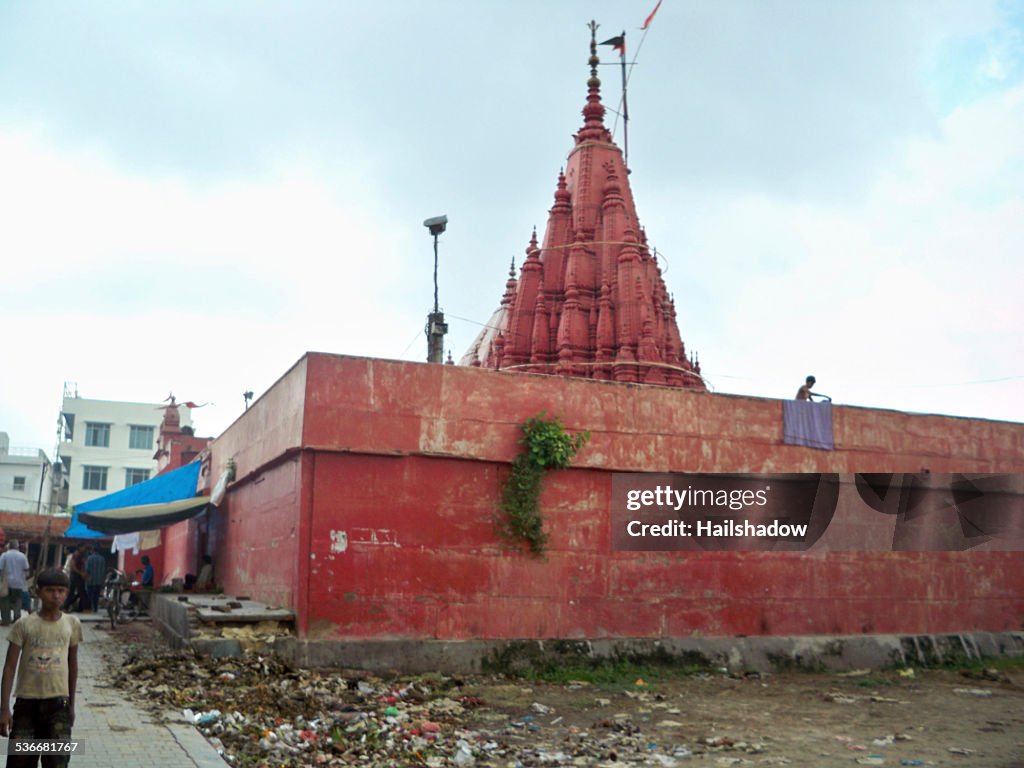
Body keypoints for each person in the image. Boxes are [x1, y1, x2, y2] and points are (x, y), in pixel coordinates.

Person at [0, 568, 82, 768]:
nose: (56, 596)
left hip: (58, 707)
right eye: (50, 590)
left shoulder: (71, 624)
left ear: (67, 593)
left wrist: (71, 704)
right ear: (38, 592)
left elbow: (73, 666)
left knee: (56, 762)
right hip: (26, 707)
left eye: (61, 591)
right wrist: (4, 709)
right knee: (20, 762)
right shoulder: (24, 625)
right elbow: (9, 668)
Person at [0, 541, 31, 626]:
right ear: (17, 546)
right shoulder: (23, 556)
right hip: (19, 583)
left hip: (6, 583)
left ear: (9, 546)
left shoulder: (4, 555)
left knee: (5, 601)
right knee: (18, 600)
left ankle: (6, 620)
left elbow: (0, 568)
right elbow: (27, 570)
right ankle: (17, 617)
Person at [64, 547, 87, 613]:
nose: (85, 549)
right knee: (80, 592)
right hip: (75, 575)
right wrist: (81, 573)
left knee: (79, 592)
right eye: (84, 547)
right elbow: (72, 566)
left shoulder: (81, 556)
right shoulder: (76, 555)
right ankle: (67, 606)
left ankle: (77, 607)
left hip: (77, 575)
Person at [84, 547, 106, 612]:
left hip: (90, 580)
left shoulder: (89, 558)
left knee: (90, 595)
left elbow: (87, 569)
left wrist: (86, 578)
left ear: (92, 550)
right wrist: (103, 580)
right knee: (96, 595)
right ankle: (95, 608)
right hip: (99, 580)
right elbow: (103, 571)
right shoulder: (102, 559)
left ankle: (90, 607)